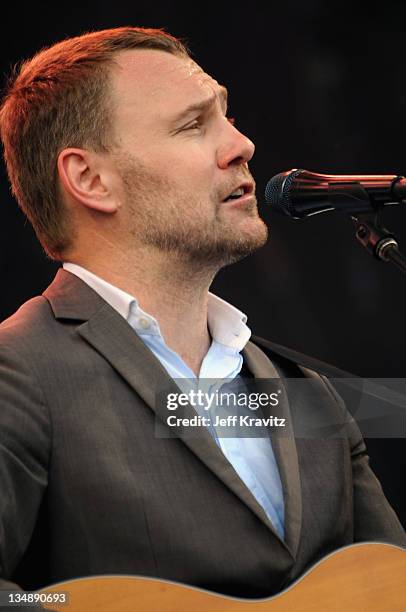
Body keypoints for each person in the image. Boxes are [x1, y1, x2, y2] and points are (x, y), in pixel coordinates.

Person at [0, 26, 404, 600]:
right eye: (194, 125)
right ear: (90, 179)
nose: (242, 145)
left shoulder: (308, 393)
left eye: (227, 116)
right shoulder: (17, 373)